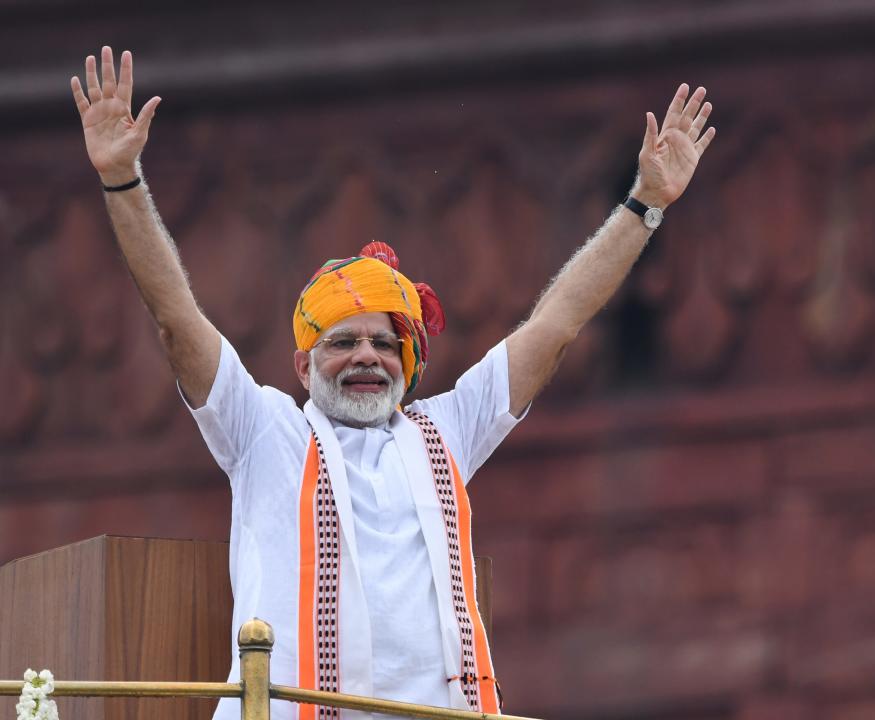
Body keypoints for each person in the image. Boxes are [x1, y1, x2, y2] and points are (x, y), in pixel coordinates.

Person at [71, 46, 715, 720]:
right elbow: (177, 319)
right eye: (342, 342)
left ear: (408, 363)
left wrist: (645, 204)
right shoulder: (264, 430)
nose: (367, 356)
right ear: (302, 366)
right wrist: (123, 180)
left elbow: (554, 327)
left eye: (385, 341)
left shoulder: (445, 432)